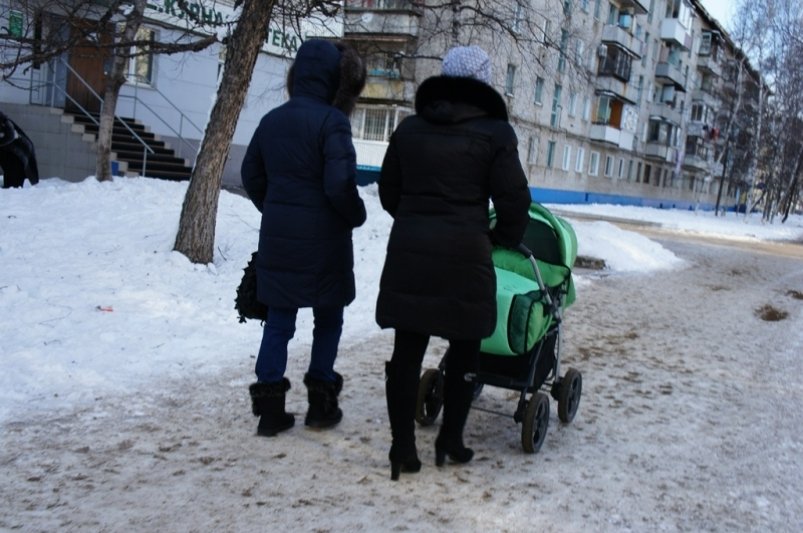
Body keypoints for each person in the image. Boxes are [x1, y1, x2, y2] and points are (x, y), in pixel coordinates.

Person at [376, 45, 532, 480]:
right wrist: (497, 239)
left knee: (407, 352)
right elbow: (515, 200)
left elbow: (390, 191)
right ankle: (450, 441)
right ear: (481, 82)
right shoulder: (496, 134)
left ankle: (402, 448)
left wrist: (416, 223)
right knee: (465, 348)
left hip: (411, 254)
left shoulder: (409, 130)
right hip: (466, 254)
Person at [241, 39, 367, 437]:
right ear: (335, 80)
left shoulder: (271, 120)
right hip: (326, 242)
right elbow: (339, 185)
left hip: (280, 241)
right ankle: (320, 405)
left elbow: (251, 176)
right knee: (328, 319)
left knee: (278, 323)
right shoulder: (333, 122)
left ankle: (270, 413)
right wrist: (355, 214)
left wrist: (276, 211)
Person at [0, 110, 39, 189]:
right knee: (9, 175)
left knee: (15, 178)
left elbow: (10, 136)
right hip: (10, 154)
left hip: (18, 155)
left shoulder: (5, 123)